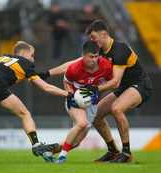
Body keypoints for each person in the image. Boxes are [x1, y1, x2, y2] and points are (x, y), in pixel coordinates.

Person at [38, 19, 152, 163]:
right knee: (97, 115)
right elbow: (73, 64)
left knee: (117, 108)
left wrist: (95, 88)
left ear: (104, 34)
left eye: (93, 37)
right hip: (123, 88)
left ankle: (127, 154)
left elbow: (115, 82)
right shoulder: (98, 53)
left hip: (140, 84)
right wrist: (48, 73)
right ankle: (112, 151)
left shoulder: (120, 49)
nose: (91, 40)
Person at [42, 40, 113, 163]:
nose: (94, 60)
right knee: (82, 123)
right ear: (83, 55)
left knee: (76, 142)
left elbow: (112, 83)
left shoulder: (106, 66)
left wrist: (99, 92)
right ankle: (62, 157)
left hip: (92, 105)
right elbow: (67, 81)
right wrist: (70, 94)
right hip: (76, 102)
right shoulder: (74, 68)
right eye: (91, 57)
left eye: (96, 56)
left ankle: (47, 151)